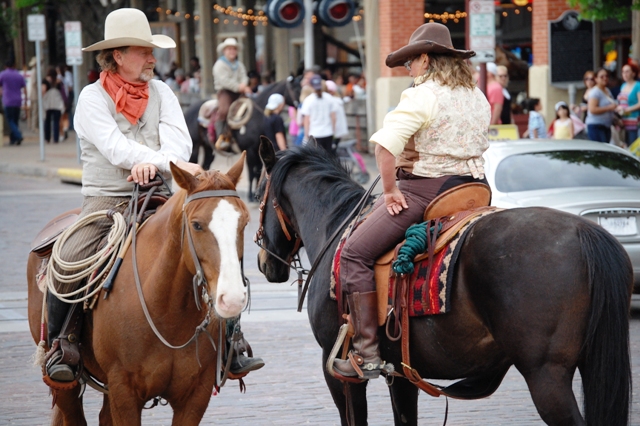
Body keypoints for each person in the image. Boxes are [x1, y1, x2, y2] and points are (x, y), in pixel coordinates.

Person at [44, 8, 262, 384]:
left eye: (151, 51)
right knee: (70, 257)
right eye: (143, 51)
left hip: (162, 194)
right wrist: (155, 162)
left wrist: (157, 166)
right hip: (107, 199)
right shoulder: (91, 97)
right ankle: (62, 344)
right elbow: (115, 149)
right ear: (117, 55)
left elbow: (180, 141)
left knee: (218, 245)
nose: (151, 58)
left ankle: (231, 341)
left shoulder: (162, 91)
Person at [332, 22, 490, 380]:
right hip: (475, 189)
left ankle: (367, 351)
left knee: (355, 252)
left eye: (410, 61)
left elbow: (385, 147)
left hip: (427, 190)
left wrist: (390, 191)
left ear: (425, 59)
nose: (408, 69)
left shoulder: (422, 94)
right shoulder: (476, 94)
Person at [212, 38, 252, 143]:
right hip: (225, 92)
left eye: (234, 49)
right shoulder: (219, 65)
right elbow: (224, 81)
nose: (232, 51)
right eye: (229, 49)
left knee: (250, 107)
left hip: (239, 92)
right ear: (224, 50)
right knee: (224, 110)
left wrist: (244, 84)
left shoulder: (239, 65)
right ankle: (221, 135)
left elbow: (244, 76)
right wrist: (240, 87)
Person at [299, 74, 337, 154]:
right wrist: (333, 131)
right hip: (328, 132)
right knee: (328, 157)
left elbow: (306, 120)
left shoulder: (308, 100)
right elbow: (333, 117)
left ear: (311, 86)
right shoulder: (329, 98)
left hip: (314, 133)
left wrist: (306, 136)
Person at [586, 68, 617, 143]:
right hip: (596, 126)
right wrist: (609, 108)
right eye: (602, 77)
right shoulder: (595, 92)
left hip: (606, 125)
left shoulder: (607, 90)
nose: (605, 78)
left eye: (606, 76)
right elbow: (592, 109)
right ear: (596, 79)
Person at [0, 59, 27, 145]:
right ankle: (13, 139)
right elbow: (24, 88)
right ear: (14, 65)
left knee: (10, 120)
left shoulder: (3, 74)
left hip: (7, 100)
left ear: (5, 66)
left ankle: (18, 135)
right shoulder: (19, 75)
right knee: (15, 120)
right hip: (18, 100)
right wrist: (25, 99)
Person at [616, 63, 640, 146]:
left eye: (627, 72)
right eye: (623, 72)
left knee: (632, 144)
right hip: (623, 121)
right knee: (624, 145)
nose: (625, 74)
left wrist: (626, 110)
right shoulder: (623, 86)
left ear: (633, 73)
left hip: (633, 121)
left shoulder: (638, 85)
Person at [325, 79, 349, 148]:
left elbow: (334, 118)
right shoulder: (337, 101)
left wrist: (332, 132)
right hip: (338, 132)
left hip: (334, 132)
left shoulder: (332, 102)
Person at [41, 78, 65, 143]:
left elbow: (43, 91)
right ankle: (56, 138)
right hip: (57, 104)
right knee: (56, 122)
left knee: (47, 121)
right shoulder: (59, 82)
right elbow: (63, 93)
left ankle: (47, 138)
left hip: (48, 104)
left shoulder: (45, 81)